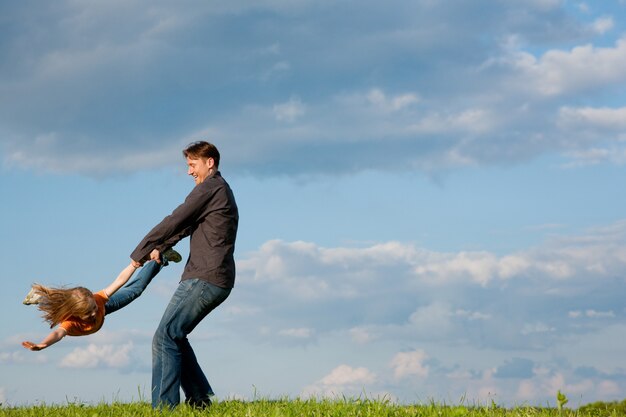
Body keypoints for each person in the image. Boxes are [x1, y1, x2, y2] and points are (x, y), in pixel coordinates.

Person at [130, 141, 238, 409]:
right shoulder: (217, 191)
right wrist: (160, 247)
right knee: (175, 335)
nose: (189, 171)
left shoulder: (211, 188)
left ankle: (164, 409)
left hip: (205, 277)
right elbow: (187, 225)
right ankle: (200, 401)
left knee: (165, 336)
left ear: (209, 162)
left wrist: (139, 252)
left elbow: (176, 218)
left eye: (192, 165)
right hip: (215, 278)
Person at [21, 248, 182, 351]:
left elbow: (119, 281)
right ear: (76, 313)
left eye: (92, 309)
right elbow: (57, 333)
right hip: (94, 309)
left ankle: (161, 256)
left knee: (135, 290)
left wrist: (133, 265)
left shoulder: (97, 301)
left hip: (106, 306)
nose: (93, 313)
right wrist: (43, 344)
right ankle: (40, 296)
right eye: (88, 313)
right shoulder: (71, 322)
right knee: (60, 303)